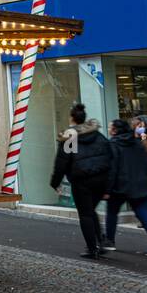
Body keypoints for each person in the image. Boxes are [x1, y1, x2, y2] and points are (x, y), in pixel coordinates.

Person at [50, 103, 114, 259]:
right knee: (91, 211)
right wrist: (109, 184)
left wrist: (55, 182)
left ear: (72, 118)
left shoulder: (70, 138)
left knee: (85, 214)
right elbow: (110, 156)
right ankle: (100, 241)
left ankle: (93, 248)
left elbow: (62, 163)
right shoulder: (98, 135)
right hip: (101, 179)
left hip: (82, 181)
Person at [104, 119, 147, 256]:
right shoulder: (137, 144)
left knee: (112, 212)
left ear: (114, 130)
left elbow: (112, 168)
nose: (108, 129)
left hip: (120, 185)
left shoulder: (113, 144)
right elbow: (146, 163)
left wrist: (107, 189)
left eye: (110, 127)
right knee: (143, 213)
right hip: (139, 184)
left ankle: (109, 241)